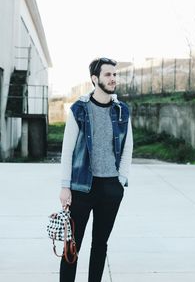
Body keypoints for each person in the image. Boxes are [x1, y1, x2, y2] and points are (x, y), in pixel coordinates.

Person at [59, 57, 133, 282]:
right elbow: (67, 150)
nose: (113, 79)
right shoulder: (79, 109)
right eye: (108, 75)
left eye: (115, 75)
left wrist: (121, 180)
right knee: (72, 246)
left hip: (110, 188)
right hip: (81, 187)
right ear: (95, 79)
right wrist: (65, 186)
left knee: (100, 245)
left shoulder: (122, 111)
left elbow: (128, 146)